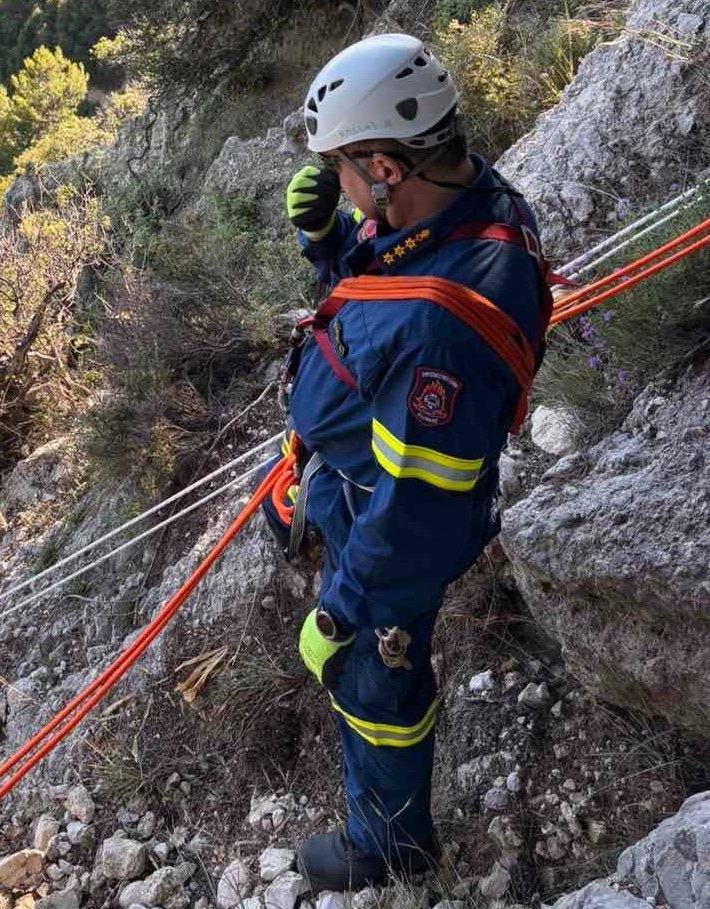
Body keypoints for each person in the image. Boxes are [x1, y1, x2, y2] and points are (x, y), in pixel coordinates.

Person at [267, 33, 552, 892]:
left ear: (389, 165)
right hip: (364, 475)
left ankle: (388, 841)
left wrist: (347, 611)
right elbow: (382, 288)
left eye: (348, 171)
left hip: (387, 521)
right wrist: (329, 240)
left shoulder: (444, 334)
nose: (343, 188)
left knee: (373, 672)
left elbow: (416, 505)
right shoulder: (467, 199)